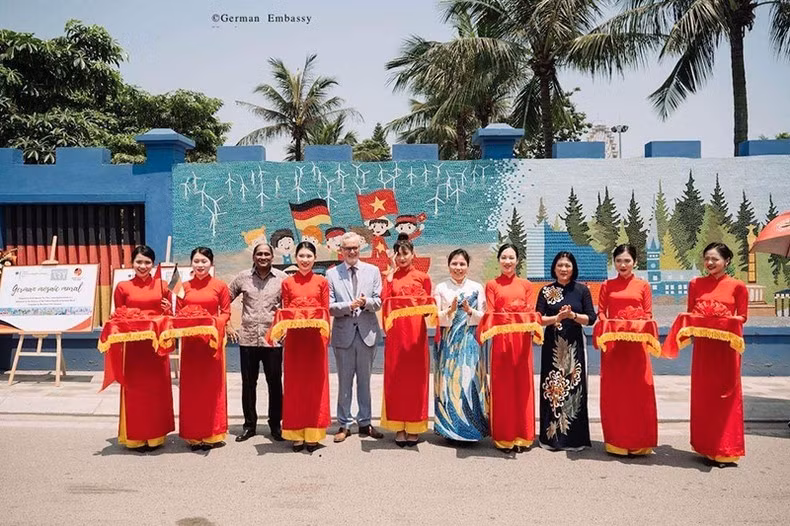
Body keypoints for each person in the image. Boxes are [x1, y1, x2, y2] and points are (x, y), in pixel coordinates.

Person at [665, 242, 748, 466]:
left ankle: (725, 450)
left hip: (726, 350)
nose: (710, 263)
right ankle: (705, 447)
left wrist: (723, 320)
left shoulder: (738, 286)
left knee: (726, 396)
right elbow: (691, 314)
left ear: (727, 261)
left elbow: (742, 316)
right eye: (707, 259)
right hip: (703, 349)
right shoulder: (696, 284)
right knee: (704, 397)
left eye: (715, 259)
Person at [110, 245, 174, 451]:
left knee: (157, 390)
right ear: (132, 263)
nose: (143, 266)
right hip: (133, 348)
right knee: (135, 390)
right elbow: (118, 316)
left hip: (156, 347)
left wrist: (168, 309)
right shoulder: (122, 287)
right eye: (139, 261)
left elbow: (170, 317)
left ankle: (156, 436)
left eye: (147, 262)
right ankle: (135, 437)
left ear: (153, 264)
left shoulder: (163, 286)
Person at [595, 244, 658, 456]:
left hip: (636, 347)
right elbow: (601, 313)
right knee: (615, 394)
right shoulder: (607, 285)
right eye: (619, 261)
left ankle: (640, 442)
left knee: (639, 392)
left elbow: (648, 314)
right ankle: (616, 442)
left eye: (627, 261)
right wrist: (612, 326)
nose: (623, 265)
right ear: (614, 262)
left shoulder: (643, 286)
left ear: (635, 262)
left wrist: (633, 325)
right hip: (614, 347)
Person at [480, 244, 540, 452]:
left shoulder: (526, 285)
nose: (507, 261)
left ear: (517, 260)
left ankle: (523, 435)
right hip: (501, 342)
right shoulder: (492, 285)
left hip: (522, 343)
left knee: (523, 388)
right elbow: (490, 313)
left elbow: (531, 313)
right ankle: (504, 437)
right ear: (499, 260)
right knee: (503, 388)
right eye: (504, 257)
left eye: (511, 257)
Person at [326, 232, 384, 443]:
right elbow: (329, 306)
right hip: (344, 334)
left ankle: (365, 422)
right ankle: (344, 423)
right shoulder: (332, 274)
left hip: (367, 333)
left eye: (355, 248)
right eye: (347, 248)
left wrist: (366, 302)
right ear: (340, 250)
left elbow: (379, 301)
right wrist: (348, 306)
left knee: (365, 381)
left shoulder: (373, 271)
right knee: (344, 381)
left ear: (360, 248)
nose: (351, 251)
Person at [536, 251, 596, 451]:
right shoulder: (546, 291)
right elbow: (538, 318)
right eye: (560, 265)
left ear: (573, 268)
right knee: (552, 391)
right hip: (552, 347)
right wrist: (557, 318)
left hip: (574, 348)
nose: (563, 269)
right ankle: (551, 438)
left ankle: (574, 439)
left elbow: (591, 318)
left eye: (567, 265)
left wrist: (573, 315)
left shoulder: (582, 290)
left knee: (574, 390)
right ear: (554, 268)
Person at [227, 242, 287, 443]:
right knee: (248, 384)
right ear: (253, 257)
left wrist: (286, 329)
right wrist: (228, 324)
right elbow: (223, 300)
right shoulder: (242, 277)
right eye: (259, 254)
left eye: (266, 254)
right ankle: (249, 426)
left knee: (274, 383)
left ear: (272, 257)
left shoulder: (282, 279)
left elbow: (290, 306)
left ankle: (275, 425)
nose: (263, 257)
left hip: (273, 340)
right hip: (248, 339)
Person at [380, 234, 435, 446]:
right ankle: (398, 426)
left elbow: (428, 307)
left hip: (416, 335)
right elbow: (385, 302)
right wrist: (389, 278)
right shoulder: (391, 278)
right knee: (397, 379)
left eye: (406, 254)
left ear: (413, 254)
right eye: (399, 254)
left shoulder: (423, 278)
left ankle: (414, 426)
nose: (402, 258)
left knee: (415, 380)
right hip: (396, 335)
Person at [176, 247, 231, 451]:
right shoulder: (183, 287)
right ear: (191, 263)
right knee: (192, 389)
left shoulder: (220, 286)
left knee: (212, 388)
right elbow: (178, 313)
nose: (200, 265)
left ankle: (212, 433)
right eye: (196, 261)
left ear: (211, 263)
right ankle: (193, 435)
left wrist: (213, 323)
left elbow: (226, 313)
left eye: (204, 261)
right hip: (191, 345)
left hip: (212, 344)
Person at [279, 241, 331, 452]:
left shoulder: (322, 282)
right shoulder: (287, 283)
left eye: (309, 256)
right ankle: (296, 433)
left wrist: (326, 336)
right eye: (301, 256)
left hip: (315, 340)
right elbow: (285, 311)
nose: (305, 260)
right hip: (295, 341)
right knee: (295, 386)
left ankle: (313, 433)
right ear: (295, 257)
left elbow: (326, 311)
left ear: (315, 258)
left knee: (315, 386)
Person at [433, 248, 487, 442]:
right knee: (449, 384)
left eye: (462, 264)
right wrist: (450, 311)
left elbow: (484, 317)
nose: (458, 267)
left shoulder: (477, 287)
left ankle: (472, 430)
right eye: (454, 263)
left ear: (468, 266)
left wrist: (470, 310)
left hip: (470, 341)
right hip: (448, 342)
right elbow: (434, 317)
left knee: (468, 382)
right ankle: (449, 430)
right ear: (448, 266)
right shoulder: (441, 287)